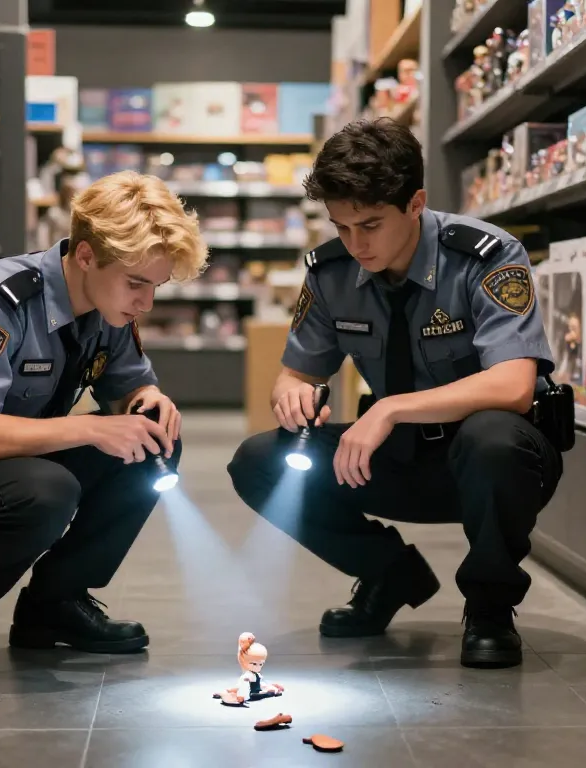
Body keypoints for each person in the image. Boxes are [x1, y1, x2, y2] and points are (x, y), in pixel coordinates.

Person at [227, 118, 564, 669]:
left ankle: (489, 607)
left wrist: (389, 407)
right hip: (396, 458)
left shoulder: (487, 256)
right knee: (258, 461)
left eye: (370, 225)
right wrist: (293, 395)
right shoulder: (329, 272)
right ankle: (389, 576)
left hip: (490, 467)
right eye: (341, 227)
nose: (355, 243)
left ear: (415, 203)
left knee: (493, 437)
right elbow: (297, 372)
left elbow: (514, 385)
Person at [0, 171, 208, 678]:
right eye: (137, 283)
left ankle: (55, 603)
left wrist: (148, 399)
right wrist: (92, 429)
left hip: (10, 468)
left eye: (155, 287)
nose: (146, 303)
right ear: (87, 255)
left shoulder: (105, 307)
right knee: (46, 488)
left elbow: (129, 387)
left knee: (152, 443)